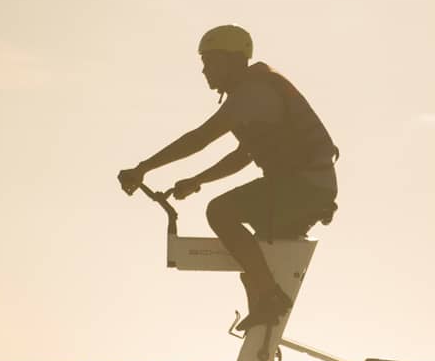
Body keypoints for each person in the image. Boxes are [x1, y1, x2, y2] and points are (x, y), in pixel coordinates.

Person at [118, 24, 340, 331]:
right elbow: (243, 155)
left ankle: (270, 297)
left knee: (220, 212)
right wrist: (198, 180)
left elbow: (200, 138)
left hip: (303, 189)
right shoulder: (250, 95)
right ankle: (264, 319)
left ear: (233, 60)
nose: (204, 70)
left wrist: (143, 168)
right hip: (305, 189)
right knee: (251, 261)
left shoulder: (254, 93)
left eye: (209, 62)